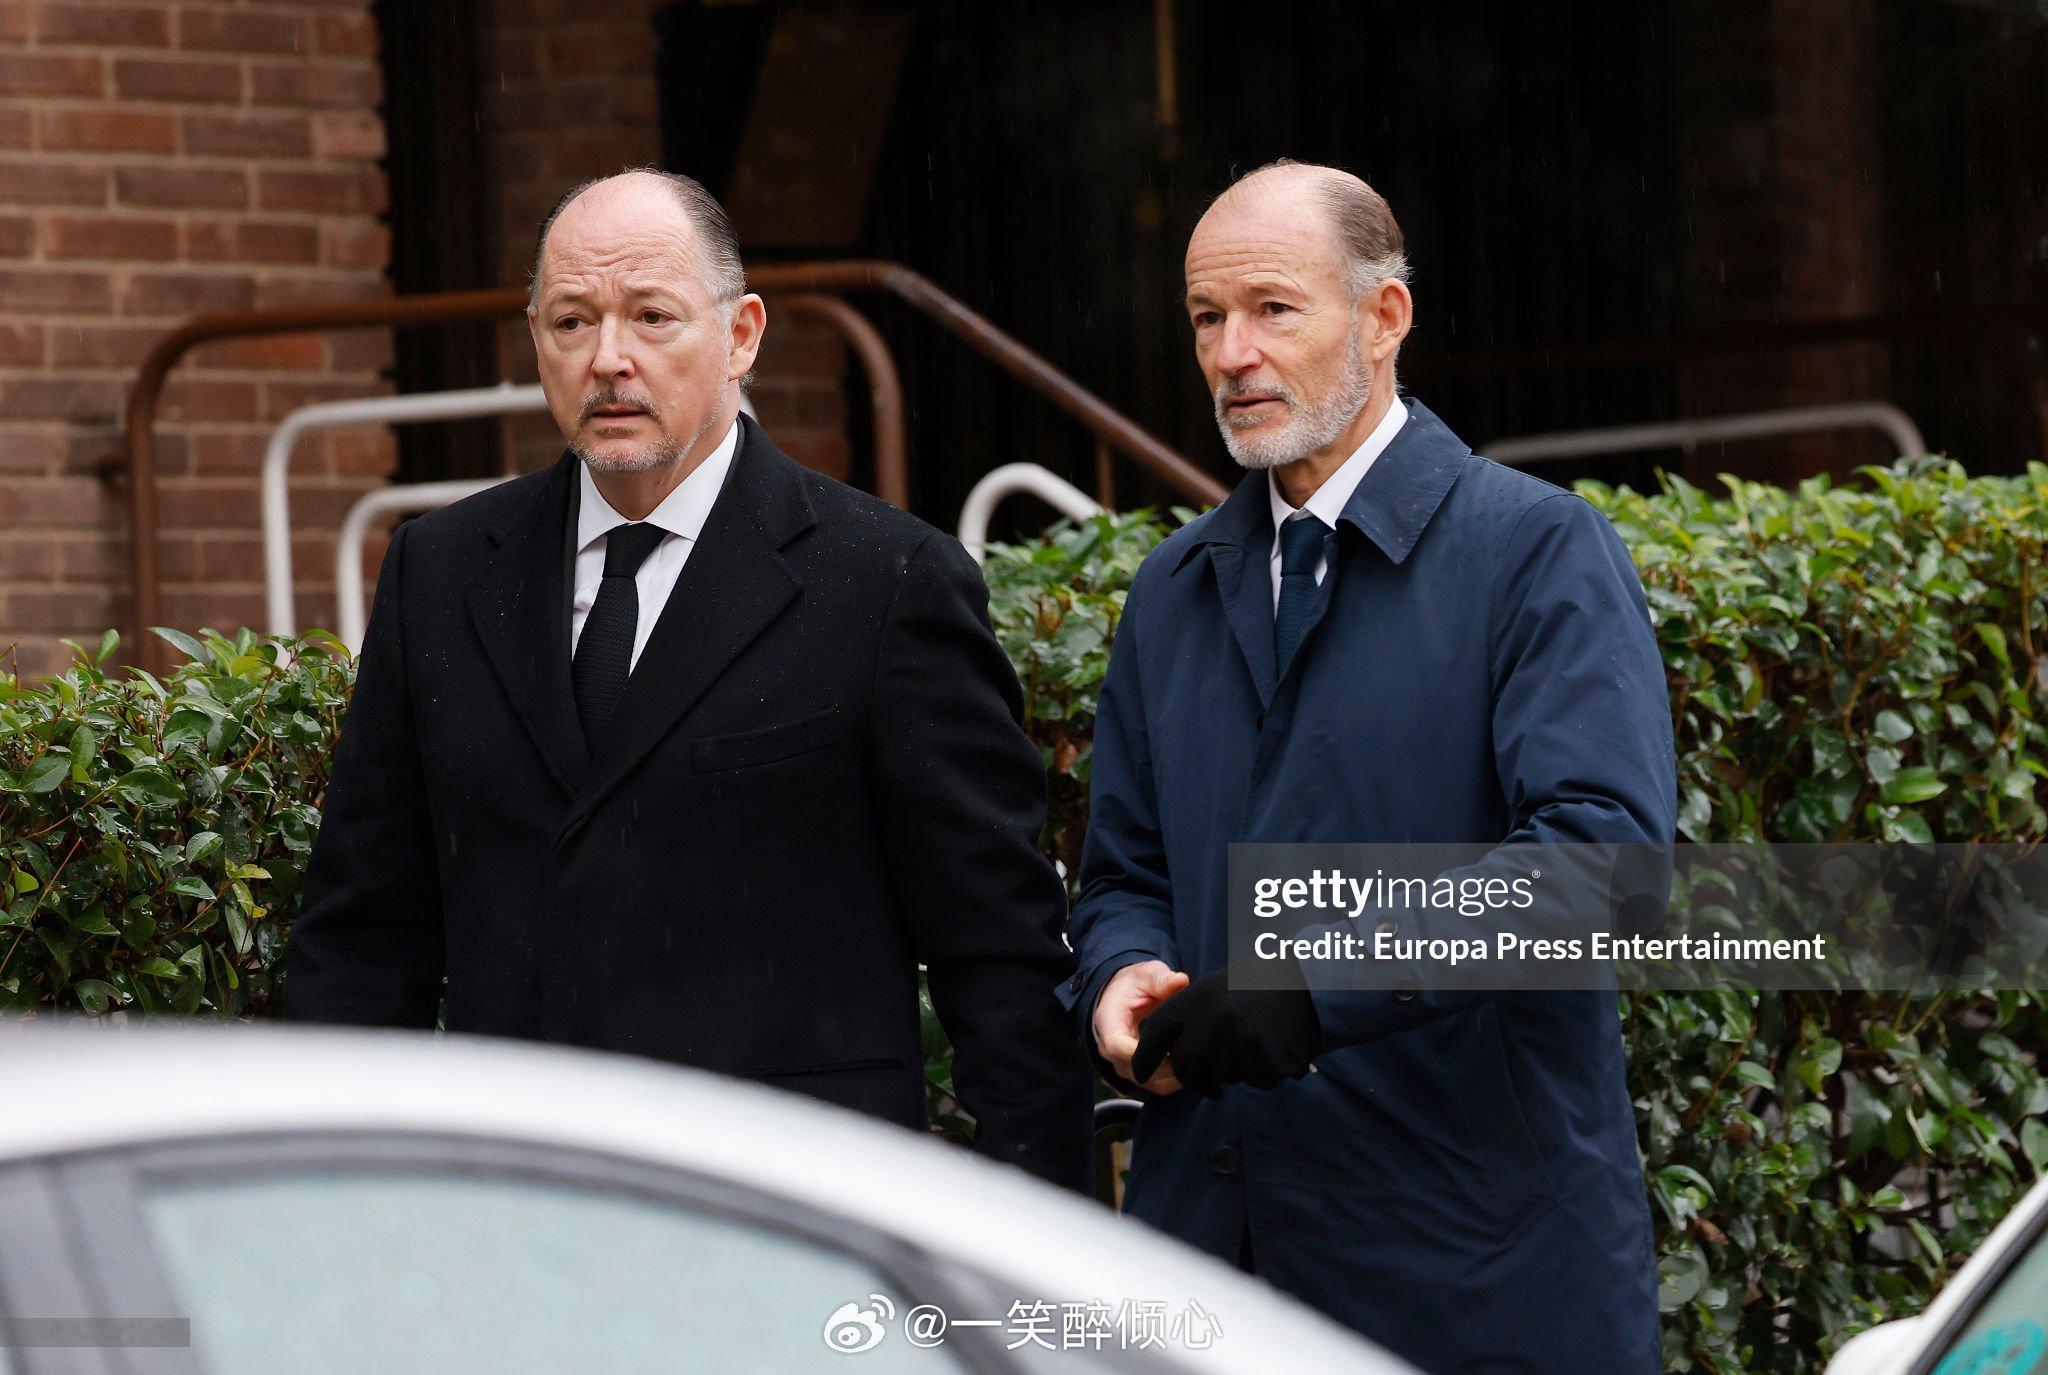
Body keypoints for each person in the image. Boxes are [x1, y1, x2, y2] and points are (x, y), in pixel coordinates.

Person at [285, 169, 1092, 1193]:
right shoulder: (438, 572)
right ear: (535, 338)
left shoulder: (886, 581)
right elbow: (363, 938)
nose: (607, 359)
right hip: (518, 1206)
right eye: (572, 321)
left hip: (789, 1210)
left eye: (651, 316)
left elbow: (999, 953)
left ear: (740, 334)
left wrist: (1038, 1228)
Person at [1063, 160, 1676, 1370]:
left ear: (1383, 316)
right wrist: (1119, 970)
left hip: (1475, 1273)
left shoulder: (1536, 551)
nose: (1231, 353)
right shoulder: (1170, 589)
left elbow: (1602, 872)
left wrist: (1304, 982)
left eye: (1271, 309)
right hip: (1212, 1269)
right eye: (1205, 317)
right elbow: (1123, 870)